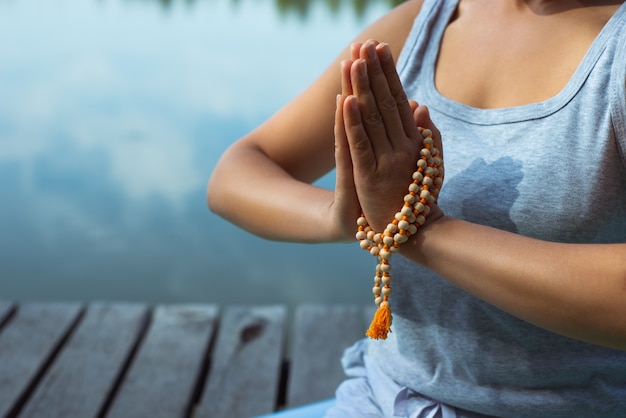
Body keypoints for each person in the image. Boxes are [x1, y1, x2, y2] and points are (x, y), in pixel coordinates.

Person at [208, 0, 626, 416]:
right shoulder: (423, 24)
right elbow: (236, 173)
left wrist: (420, 228)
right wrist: (347, 215)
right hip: (382, 399)